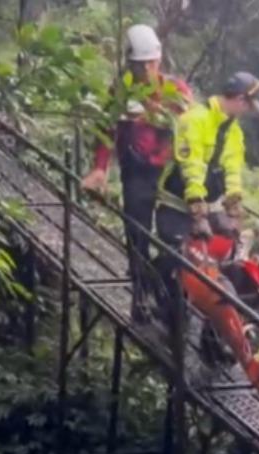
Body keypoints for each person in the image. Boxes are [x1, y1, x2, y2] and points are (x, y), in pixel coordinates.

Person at [80, 24, 193, 323]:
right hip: (137, 172)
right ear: (129, 64)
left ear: (158, 60)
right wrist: (99, 168)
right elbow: (106, 129)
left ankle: (167, 294)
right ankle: (140, 295)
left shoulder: (176, 91)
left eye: (150, 64)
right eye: (139, 65)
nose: (145, 71)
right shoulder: (121, 92)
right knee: (137, 234)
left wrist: (154, 114)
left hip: (169, 175)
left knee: (174, 239)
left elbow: (190, 129)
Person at [175, 71, 259, 238]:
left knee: (226, 241)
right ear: (240, 99)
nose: (247, 111)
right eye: (248, 106)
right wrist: (198, 211)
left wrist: (234, 206)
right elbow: (191, 166)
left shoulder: (233, 130)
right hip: (176, 202)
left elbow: (233, 169)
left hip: (207, 204)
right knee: (177, 249)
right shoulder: (195, 119)